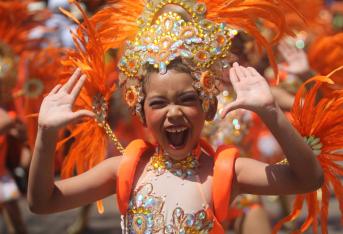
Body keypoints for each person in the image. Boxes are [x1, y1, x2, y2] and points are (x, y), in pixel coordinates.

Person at [28, 1, 331, 233]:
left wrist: (270, 112)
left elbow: (308, 178)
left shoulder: (224, 172)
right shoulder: (125, 170)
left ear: (209, 108)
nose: (174, 113)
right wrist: (45, 134)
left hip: (248, 210)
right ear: (141, 112)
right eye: (159, 103)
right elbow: (43, 202)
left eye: (187, 100)